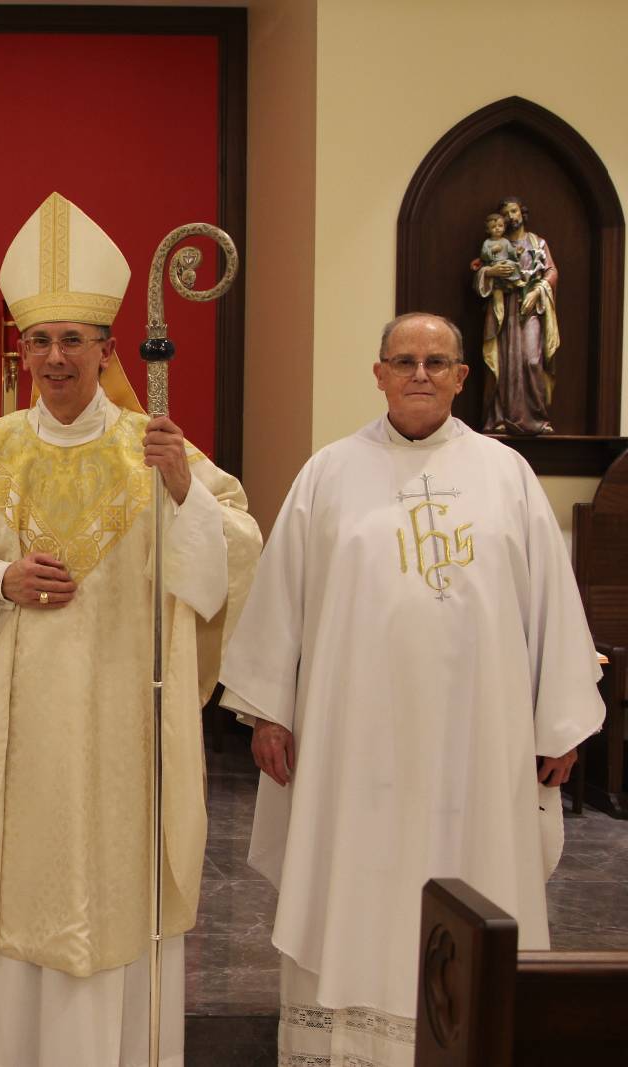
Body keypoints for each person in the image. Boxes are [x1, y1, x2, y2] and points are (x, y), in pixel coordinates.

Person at [0, 192, 262, 1067]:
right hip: (12, 729)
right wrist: (0, 577)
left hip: (124, 726)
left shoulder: (156, 448)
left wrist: (183, 488)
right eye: (40, 339)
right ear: (21, 349)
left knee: (114, 892)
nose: (56, 355)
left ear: (110, 348)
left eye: (75, 338)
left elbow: (235, 553)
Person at [218, 312, 604, 1067]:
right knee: (352, 880)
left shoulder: (508, 476)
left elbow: (552, 604)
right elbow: (281, 601)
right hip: (353, 743)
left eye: (436, 361)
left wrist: (559, 723)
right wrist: (268, 710)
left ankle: (468, 1037)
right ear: (379, 373)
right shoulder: (328, 473)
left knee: (475, 876)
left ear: (464, 376)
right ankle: (352, 1045)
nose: (420, 373)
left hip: (479, 745)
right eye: (404, 360)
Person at [473, 196, 559, 434]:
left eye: (514, 211)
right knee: (504, 363)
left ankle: (537, 419)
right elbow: (479, 275)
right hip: (504, 311)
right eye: (506, 213)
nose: (511, 217)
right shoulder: (494, 243)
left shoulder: (537, 243)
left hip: (531, 308)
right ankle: (500, 418)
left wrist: (538, 291)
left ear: (522, 212)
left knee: (532, 360)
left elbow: (551, 271)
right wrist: (490, 271)